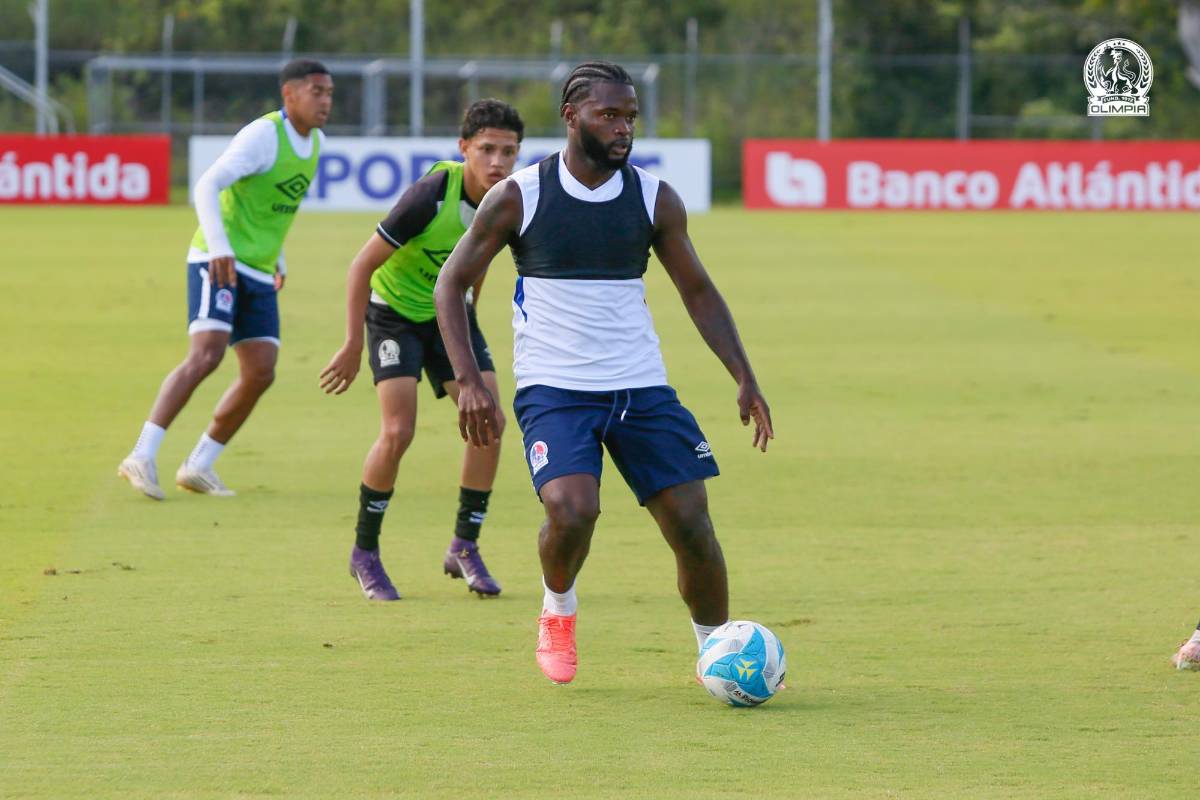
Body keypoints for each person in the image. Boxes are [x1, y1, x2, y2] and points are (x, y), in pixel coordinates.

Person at [433, 62, 774, 684]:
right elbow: (450, 284)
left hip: (640, 385)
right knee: (572, 510)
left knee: (691, 521)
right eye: (609, 115)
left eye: (630, 117)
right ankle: (558, 609)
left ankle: (718, 652)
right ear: (572, 117)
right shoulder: (522, 195)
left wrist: (743, 375)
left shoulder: (653, 198)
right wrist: (471, 383)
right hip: (555, 389)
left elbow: (698, 291)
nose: (624, 129)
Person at [319, 100, 524, 601]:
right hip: (394, 314)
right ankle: (364, 553)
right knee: (398, 431)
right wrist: (352, 343)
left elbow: (479, 263)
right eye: (486, 149)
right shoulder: (431, 195)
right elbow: (361, 266)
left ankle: (464, 545)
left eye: (508, 151)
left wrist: (469, 318)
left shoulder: (508, 200)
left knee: (491, 422)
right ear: (464, 148)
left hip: (449, 317)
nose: (497, 161)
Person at [118, 58, 333, 499]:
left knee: (261, 371)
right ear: (289, 94)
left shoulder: (316, 143)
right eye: (317, 92)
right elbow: (206, 185)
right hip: (217, 260)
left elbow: (272, 208)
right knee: (206, 355)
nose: (326, 101)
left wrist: (278, 258)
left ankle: (199, 464)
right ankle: (141, 454)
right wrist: (219, 246)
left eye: (330, 93)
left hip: (259, 269)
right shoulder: (263, 136)